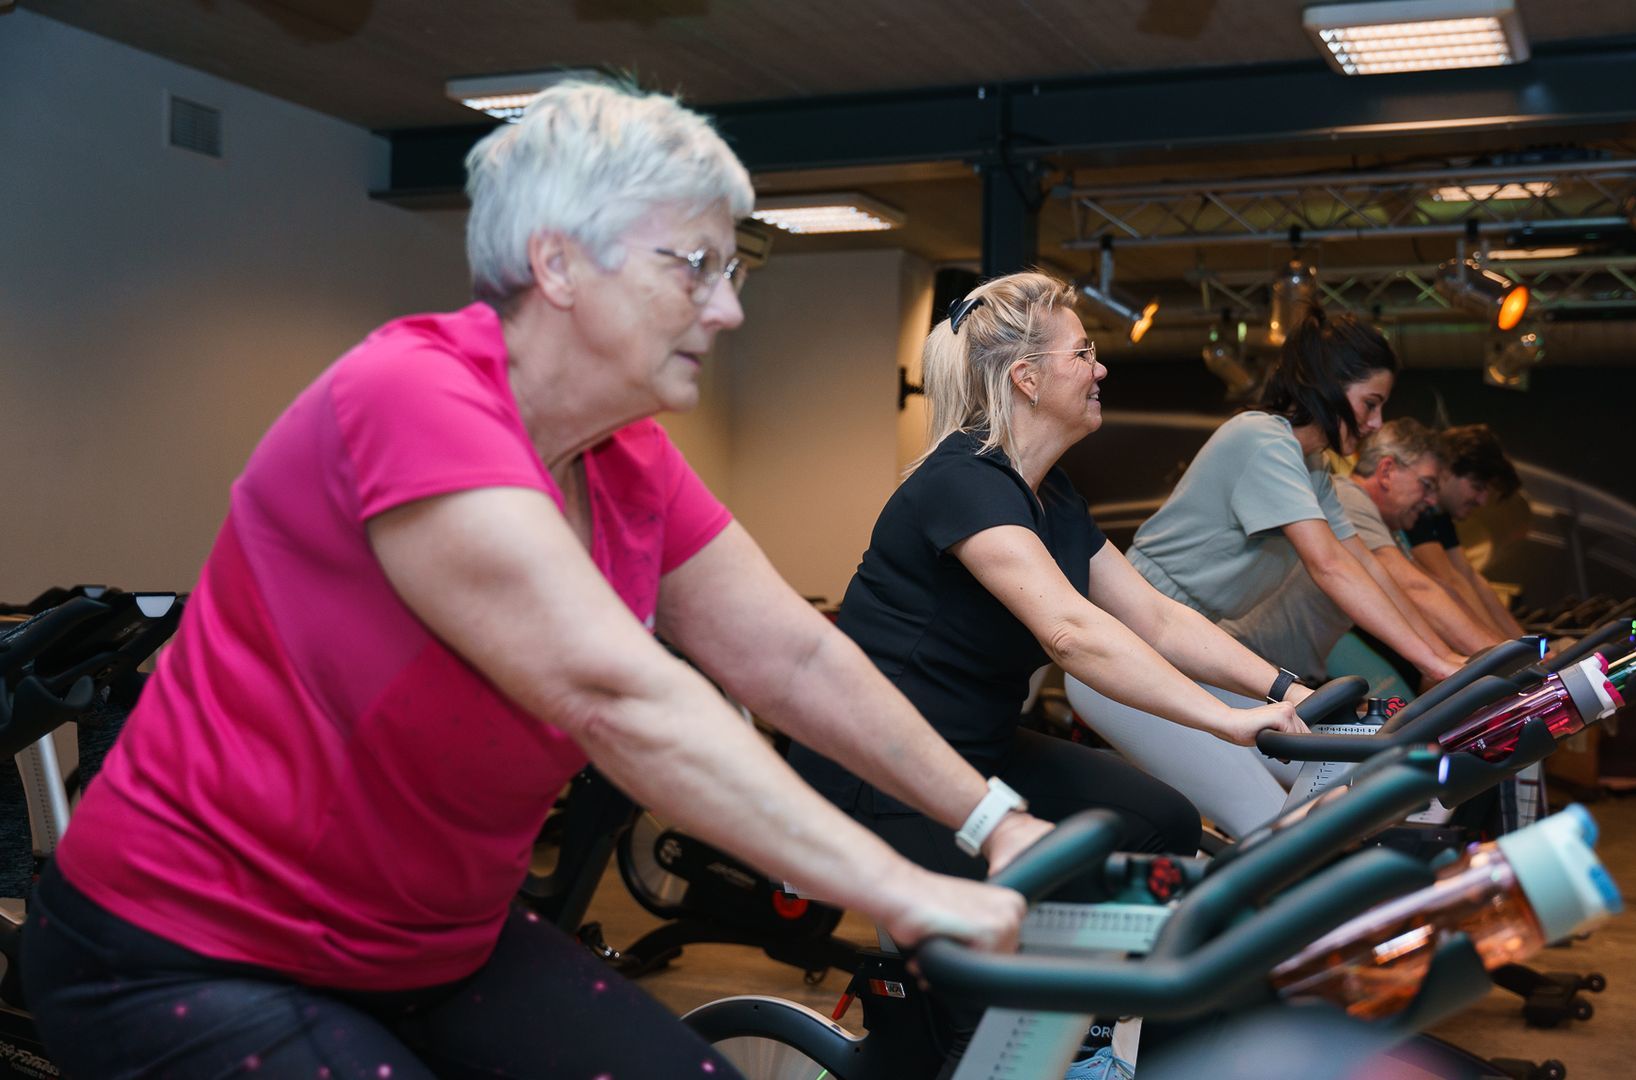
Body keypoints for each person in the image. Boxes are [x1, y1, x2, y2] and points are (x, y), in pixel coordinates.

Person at [21, 80, 1044, 1080]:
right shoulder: (411, 394)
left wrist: (992, 819)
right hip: (183, 949)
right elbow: (616, 699)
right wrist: (901, 890)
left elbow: (796, 654)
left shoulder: (625, 455)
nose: (728, 308)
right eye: (696, 266)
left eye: (736, 270)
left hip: (435, 947)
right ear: (557, 263)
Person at [785, 270, 1313, 1072]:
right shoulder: (961, 481)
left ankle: (1093, 1022)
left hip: (978, 751)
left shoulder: (1050, 494)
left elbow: (1157, 617)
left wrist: (1282, 691)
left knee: (1160, 822)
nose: (1101, 369)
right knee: (998, 1004)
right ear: (1026, 378)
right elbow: (1070, 634)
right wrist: (1226, 721)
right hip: (879, 766)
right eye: (1085, 352)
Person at [1067, 309, 1466, 836]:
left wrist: (1445, 659)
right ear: (1327, 387)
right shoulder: (1262, 441)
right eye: (1370, 404)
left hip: (1199, 653)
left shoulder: (1315, 466)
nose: (1374, 424)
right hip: (1127, 656)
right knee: (1274, 824)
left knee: (1364, 770)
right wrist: (1438, 662)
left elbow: (1363, 563)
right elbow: (1328, 567)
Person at [1221, 419, 1504, 706]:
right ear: (1387, 471)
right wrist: (1504, 667)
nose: (1432, 501)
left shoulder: (1388, 531)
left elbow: (1407, 592)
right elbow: (1416, 590)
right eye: (1427, 485)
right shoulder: (1348, 500)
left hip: (1277, 672)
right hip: (1243, 661)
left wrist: (1449, 657)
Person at [1403, 423, 1528, 640]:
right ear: (1447, 470)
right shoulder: (1420, 510)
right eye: (1477, 487)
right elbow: (1450, 580)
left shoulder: (1440, 516)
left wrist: (1523, 644)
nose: (1482, 501)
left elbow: (1468, 576)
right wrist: (1500, 646)